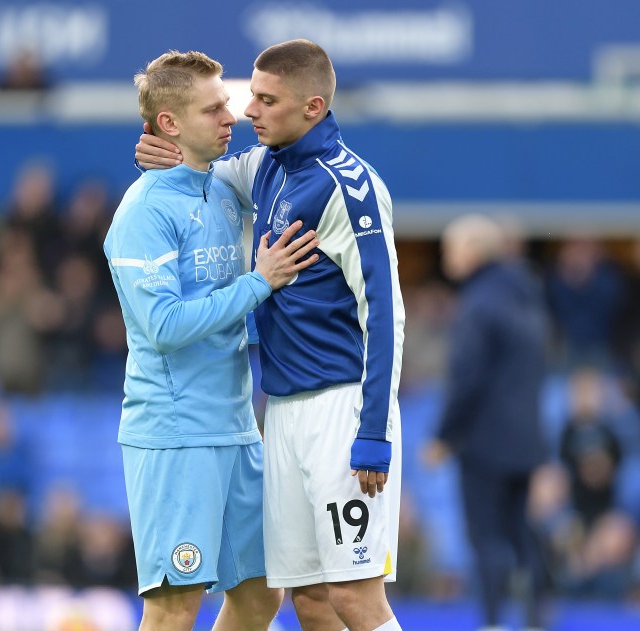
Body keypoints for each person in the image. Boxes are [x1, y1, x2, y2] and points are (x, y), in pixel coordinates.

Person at [137, 39, 406, 631]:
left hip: (341, 409)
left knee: (356, 597)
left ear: (312, 106)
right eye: (246, 97)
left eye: (265, 99)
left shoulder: (350, 187)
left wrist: (374, 433)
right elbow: (197, 161)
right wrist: (165, 148)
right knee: (308, 598)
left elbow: (385, 313)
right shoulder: (264, 166)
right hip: (280, 413)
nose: (247, 112)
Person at [105, 50, 320, 631]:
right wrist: (260, 282)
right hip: (176, 436)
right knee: (174, 607)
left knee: (257, 597)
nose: (232, 116)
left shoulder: (223, 185)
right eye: (214, 108)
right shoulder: (142, 212)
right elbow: (165, 327)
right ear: (169, 124)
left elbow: (287, 156)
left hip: (235, 429)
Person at [422, 215, 550, 631]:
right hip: (526, 437)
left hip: (484, 440)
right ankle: (535, 618)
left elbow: (466, 377)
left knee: (487, 536)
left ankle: (492, 622)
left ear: (474, 251)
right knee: (521, 532)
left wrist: (444, 436)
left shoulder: (478, 302)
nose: (446, 257)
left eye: (451, 248)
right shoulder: (527, 296)